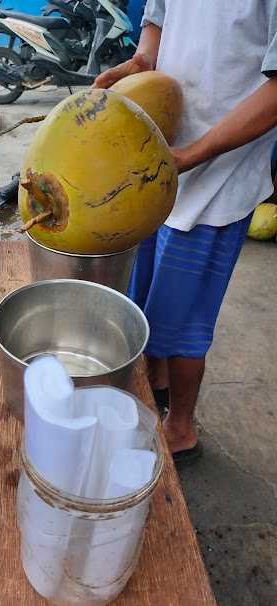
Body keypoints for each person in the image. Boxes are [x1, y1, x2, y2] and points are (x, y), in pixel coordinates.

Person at [94, 1, 277, 463]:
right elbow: (158, 22)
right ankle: (154, 384)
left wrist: (195, 154)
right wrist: (138, 65)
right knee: (145, 294)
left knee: (182, 321)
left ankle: (180, 428)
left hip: (219, 176)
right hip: (162, 158)